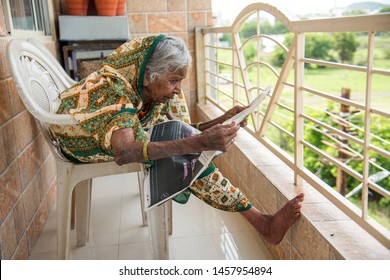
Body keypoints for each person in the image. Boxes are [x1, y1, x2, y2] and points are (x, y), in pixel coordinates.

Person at [51, 34, 304, 246]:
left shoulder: (142, 83)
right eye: (174, 80)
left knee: (184, 138)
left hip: (115, 132)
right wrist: (200, 143)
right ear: (149, 75)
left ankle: (262, 222)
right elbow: (125, 152)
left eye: (180, 80)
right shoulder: (114, 91)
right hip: (77, 142)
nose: (178, 88)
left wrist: (220, 121)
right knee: (185, 152)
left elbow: (182, 129)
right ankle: (263, 223)